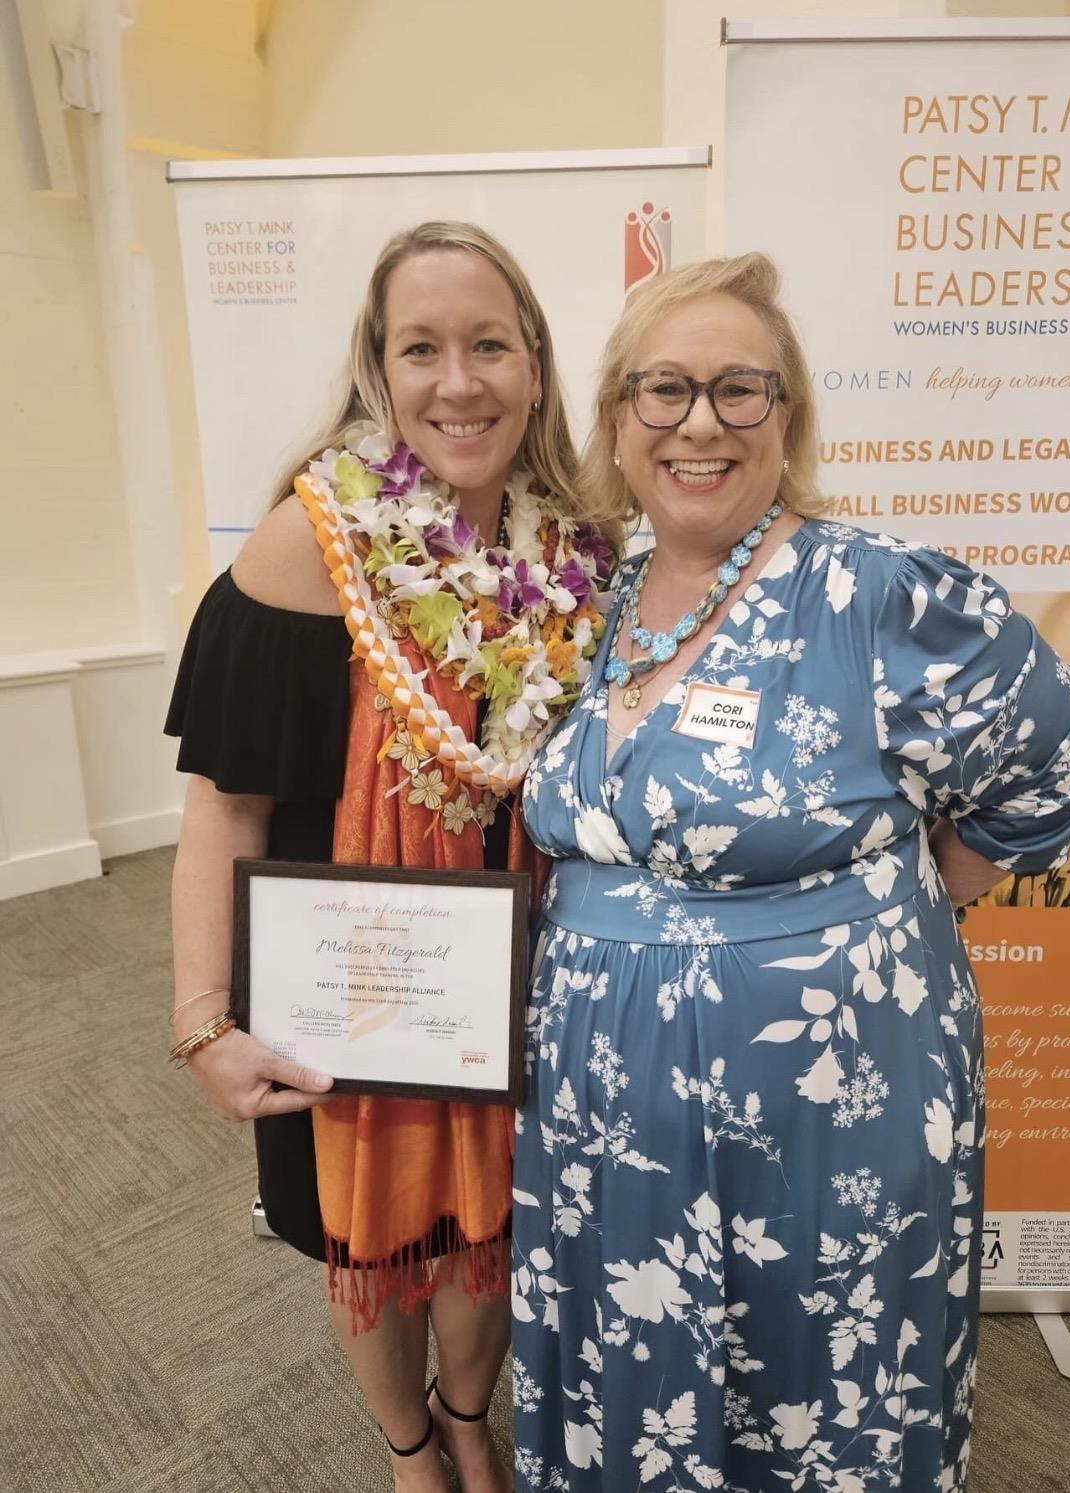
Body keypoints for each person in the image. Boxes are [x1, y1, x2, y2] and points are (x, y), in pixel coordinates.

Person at [511, 252, 1070, 1491]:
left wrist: (913, 902)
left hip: (832, 1100)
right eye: (664, 390)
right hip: (609, 1107)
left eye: (741, 389)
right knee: (643, 1362)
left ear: (788, 419)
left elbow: (1057, 755)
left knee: (821, 1373)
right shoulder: (583, 600)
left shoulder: (875, 593)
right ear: (617, 420)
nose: (700, 424)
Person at [167, 222, 615, 1493]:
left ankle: (468, 1410)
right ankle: (414, 1447)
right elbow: (224, 809)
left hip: (523, 978)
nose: (457, 381)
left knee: (500, 1222)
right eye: (421, 347)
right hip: (351, 982)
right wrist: (204, 1022)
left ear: (534, 360)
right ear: (378, 366)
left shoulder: (576, 553)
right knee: (375, 1238)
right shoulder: (310, 547)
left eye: (487, 344)